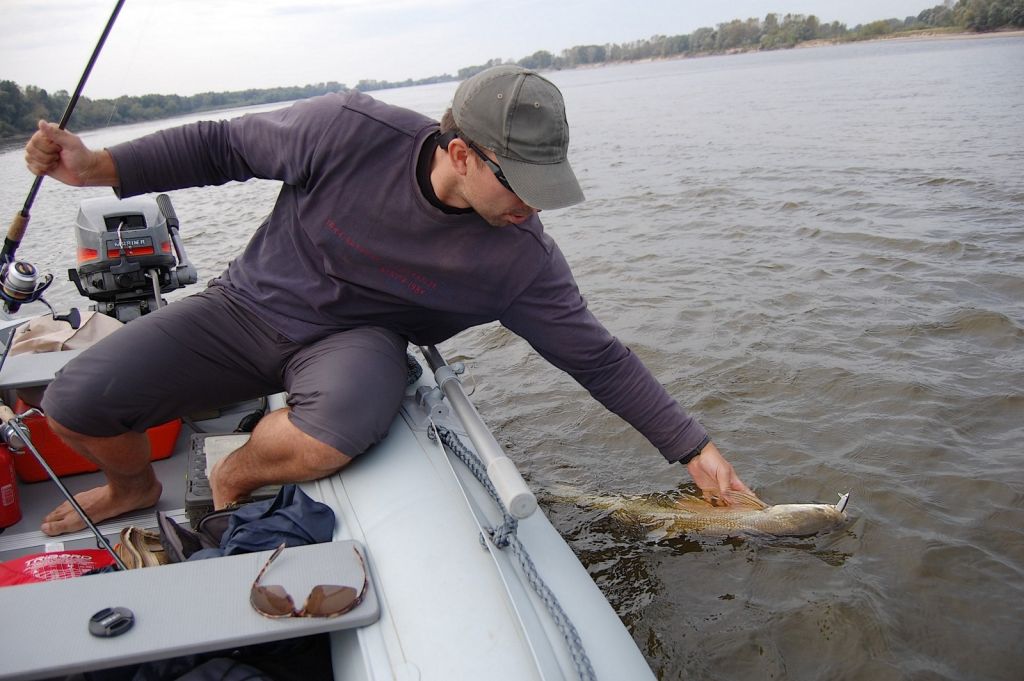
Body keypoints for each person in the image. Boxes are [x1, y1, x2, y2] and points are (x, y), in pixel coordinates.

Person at [23, 65, 751, 536]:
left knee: (335, 428)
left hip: (354, 343)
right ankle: (131, 486)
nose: (534, 207)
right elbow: (223, 146)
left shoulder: (520, 260)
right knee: (72, 403)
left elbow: (596, 357)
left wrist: (694, 451)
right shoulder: (347, 129)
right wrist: (100, 166)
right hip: (245, 307)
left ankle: (233, 473)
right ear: (461, 153)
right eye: (523, 186)